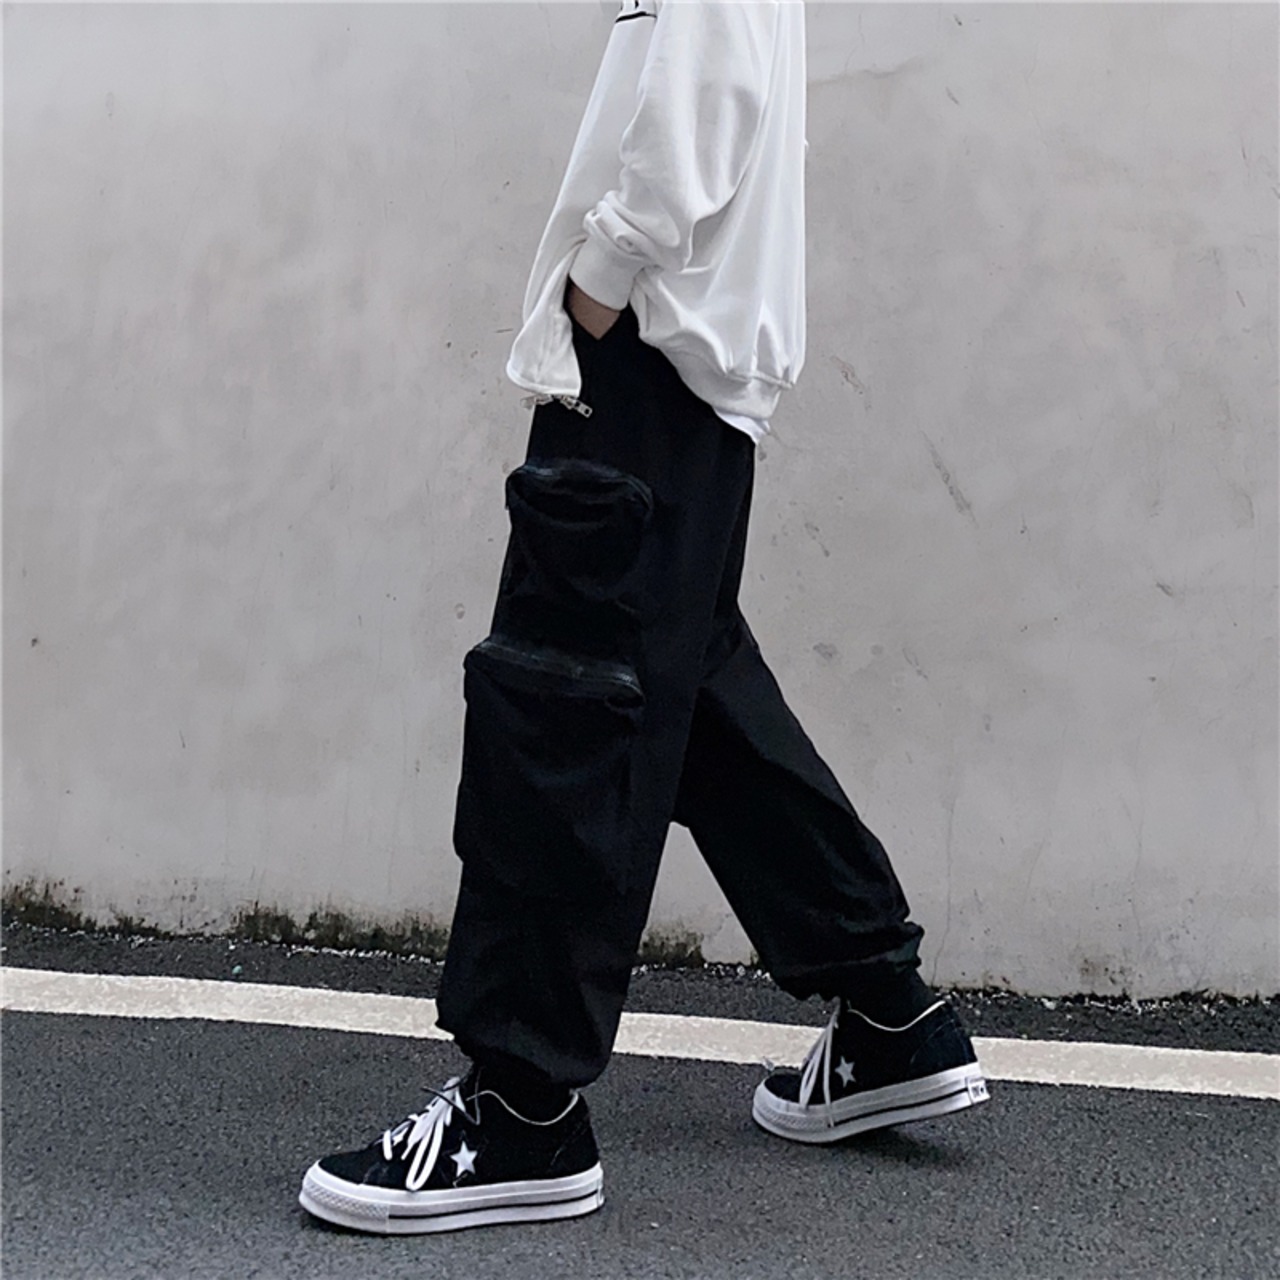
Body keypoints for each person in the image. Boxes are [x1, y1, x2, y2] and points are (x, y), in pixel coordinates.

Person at [299, 0, 987, 1236]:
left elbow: (699, 98)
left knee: (565, 712)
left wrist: (600, 277)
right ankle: (888, 1015)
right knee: (693, 693)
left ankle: (521, 1106)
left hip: (645, 364)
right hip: (684, 384)